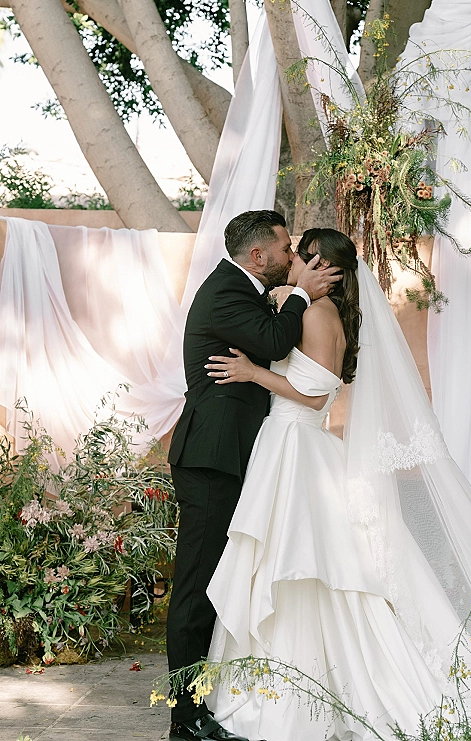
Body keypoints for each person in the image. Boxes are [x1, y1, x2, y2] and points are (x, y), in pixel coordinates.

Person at [202, 228, 471, 740]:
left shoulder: (314, 314)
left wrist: (251, 372)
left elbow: (314, 397)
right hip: (295, 446)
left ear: (319, 266)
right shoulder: (319, 311)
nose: (289, 258)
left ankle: (298, 691)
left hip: (295, 443)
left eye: (297, 252)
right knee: (299, 566)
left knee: (295, 566)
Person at [166, 211, 341, 741]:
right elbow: (271, 344)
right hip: (212, 461)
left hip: (240, 457)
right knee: (196, 589)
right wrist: (302, 293)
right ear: (258, 256)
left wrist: (295, 294)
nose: (292, 257)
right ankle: (186, 718)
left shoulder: (243, 289)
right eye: (286, 248)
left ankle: (208, 700)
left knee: (223, 582)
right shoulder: (226, 292)